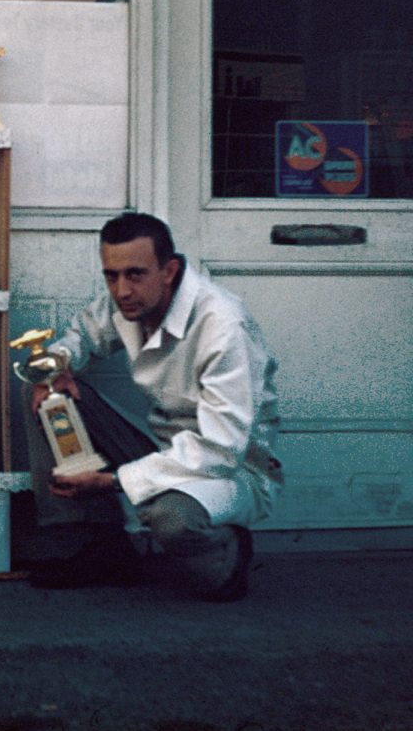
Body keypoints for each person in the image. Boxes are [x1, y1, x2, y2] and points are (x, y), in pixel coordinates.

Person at [22, 212, 283, 601]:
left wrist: (113, 481)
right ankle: (102, 547)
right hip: (162, 450)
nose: (121, 289)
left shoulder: (223, 325)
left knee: (171, 520)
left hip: (229, 470)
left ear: (170, 270)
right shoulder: (128, 304)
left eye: (135, 274)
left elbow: (222, 448)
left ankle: (226, 557)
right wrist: (58, 365)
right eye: (111, 275)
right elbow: (82, 335)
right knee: (49, 397)